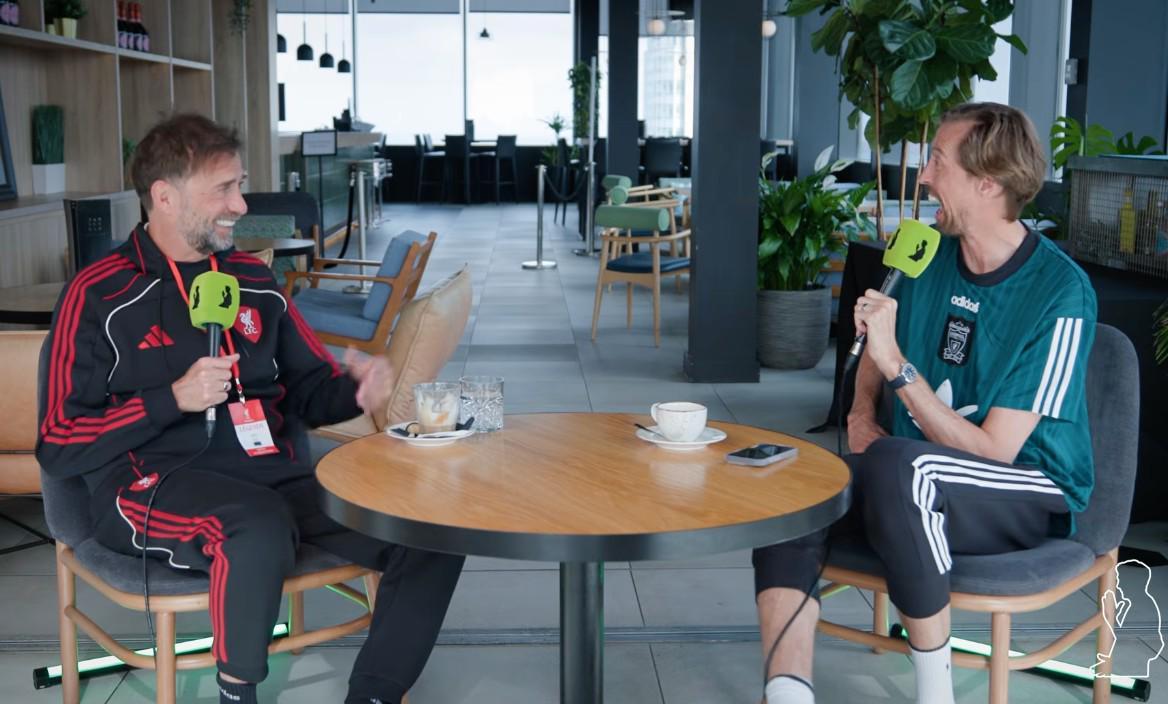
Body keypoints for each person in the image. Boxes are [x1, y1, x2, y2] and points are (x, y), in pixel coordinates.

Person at [36, 114, 464, 704]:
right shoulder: (98, 295)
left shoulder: (253, 281)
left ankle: (373, 694)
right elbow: (59, 443)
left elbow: (310, 390)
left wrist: (357, 389)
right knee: (255, 524)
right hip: (148, 488)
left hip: (274, 477)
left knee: (431, 527)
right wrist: (171, 400)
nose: (241, 204)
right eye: (224, 189)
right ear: (165, 196)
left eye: (240, 185)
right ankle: (238, 693)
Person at [751, 102, 1098, 704]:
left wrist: (897, 367)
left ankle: (936, 694)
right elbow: (878, 338)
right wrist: (861, 413)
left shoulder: (1061, 292)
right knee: (794, 491)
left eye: (939, 160)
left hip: (1025, 486)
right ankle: (787, 692)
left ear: (988, 182)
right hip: (914, 473)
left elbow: (995, 452)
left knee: (900, 466)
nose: (924, 175)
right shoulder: (925, 253)